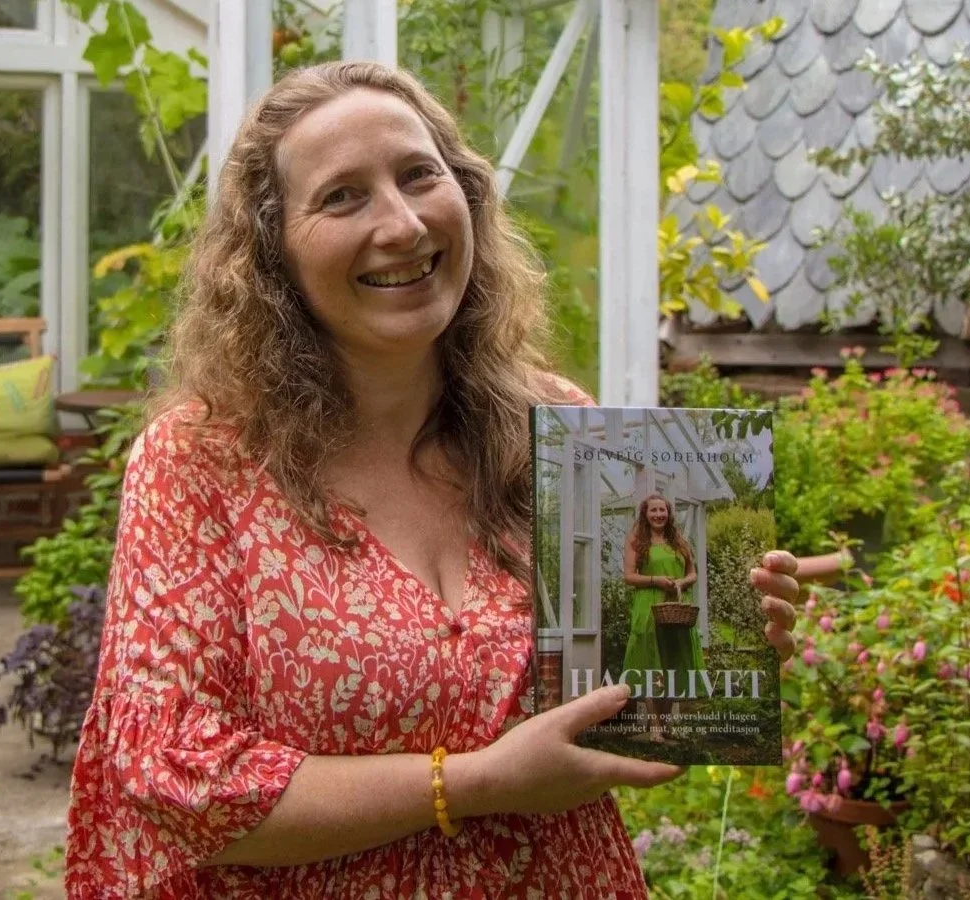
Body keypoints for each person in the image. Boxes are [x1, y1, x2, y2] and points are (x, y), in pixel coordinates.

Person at [63, 61, 799, 899]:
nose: (404, 223)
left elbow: (630, 724)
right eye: (342, 196)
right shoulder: (200, 462)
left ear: (468, 196)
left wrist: (712, 647)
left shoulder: (556, 428)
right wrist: (475, 782)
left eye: (419, 175)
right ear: (271, 254)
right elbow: (174, 778)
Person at [620, 494, 704, 744]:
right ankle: (654, 726)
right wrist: (655, 580)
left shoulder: (678, 541)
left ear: (669, 514)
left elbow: (693, 573)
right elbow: (628, 576)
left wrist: (680, 582)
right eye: (653, 510)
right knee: (650, 663)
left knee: (671, 663)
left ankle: (666, 726)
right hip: (648, 606)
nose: (658, 514)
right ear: (645, 514)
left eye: (662, 510)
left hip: (675, 606)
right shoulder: (637, 540)